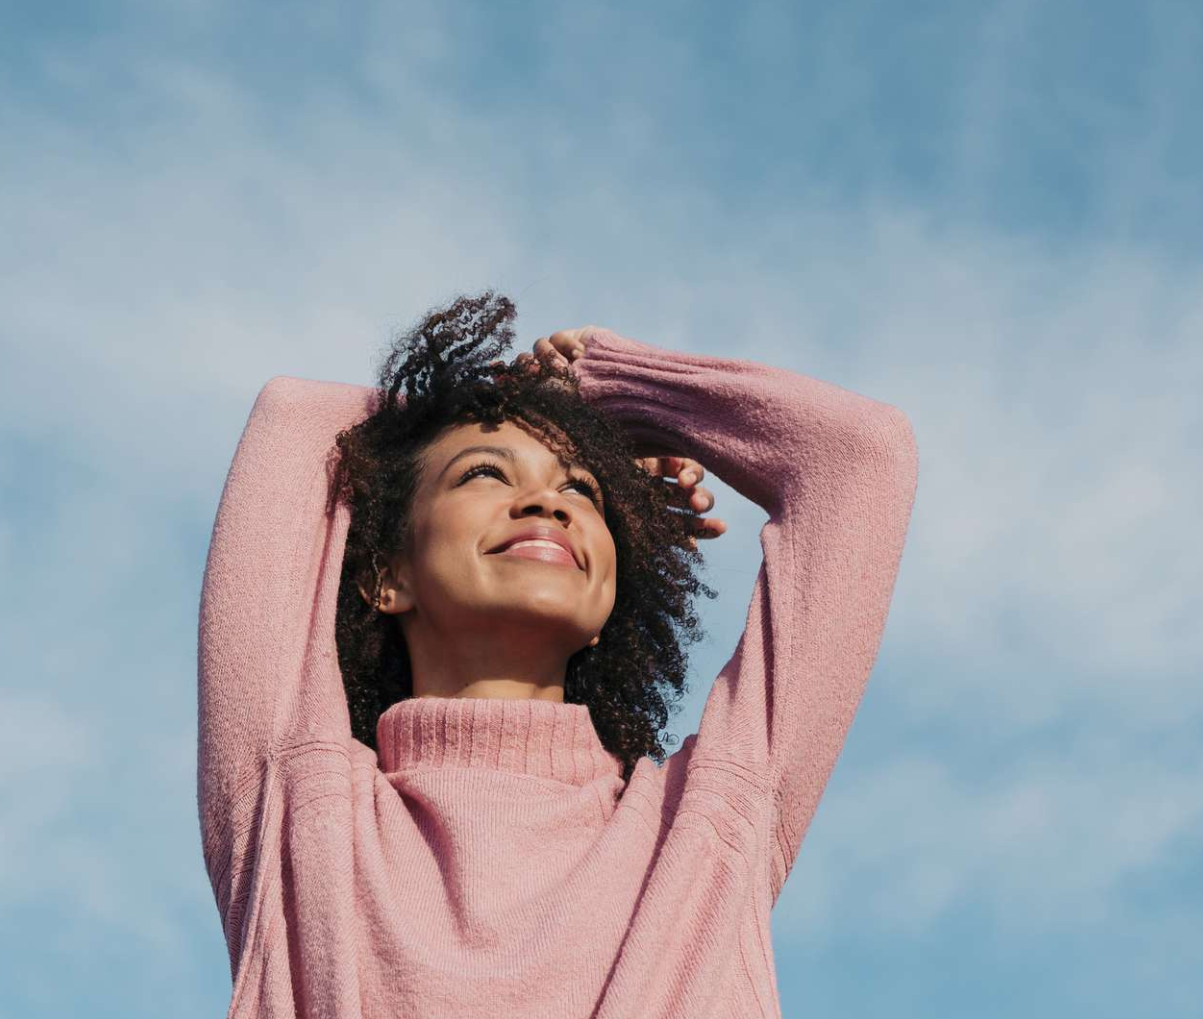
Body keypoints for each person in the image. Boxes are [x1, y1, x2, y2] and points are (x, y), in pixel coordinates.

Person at [197, 291, 918, 1018]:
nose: (549, 503)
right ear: (388, 577)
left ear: (607, 604)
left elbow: (860, 454)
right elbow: (294, 419)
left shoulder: (703, 828)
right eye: (484, 473)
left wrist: (620, 390)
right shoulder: (297, 808)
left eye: (583, 488)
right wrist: (505, 399)